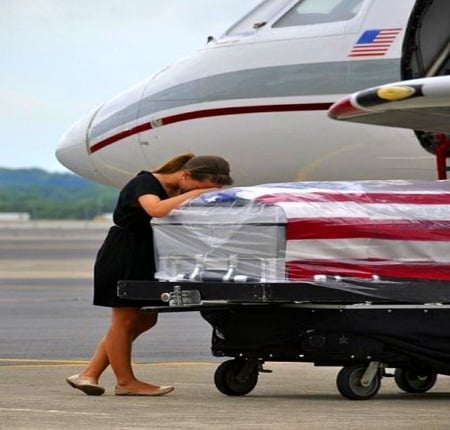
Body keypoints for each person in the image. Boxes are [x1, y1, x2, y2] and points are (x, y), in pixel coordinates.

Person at [66, 153, 233, 396]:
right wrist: (193, 195)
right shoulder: (145, 183)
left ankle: (89, 373)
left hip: (146, 255)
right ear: (186, 175)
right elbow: (155, 209)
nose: (200, 192)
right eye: (200, 187)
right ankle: (125, 382)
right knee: (124, 320)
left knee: (145, 319)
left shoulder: (174, 188)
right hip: (124, 253)